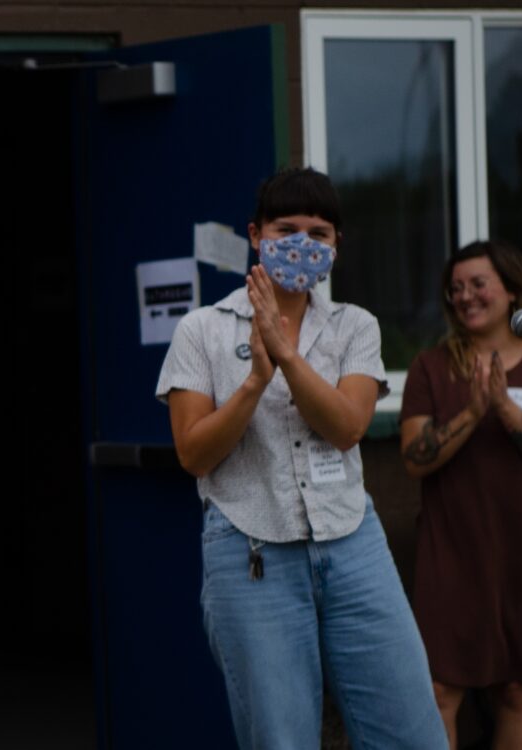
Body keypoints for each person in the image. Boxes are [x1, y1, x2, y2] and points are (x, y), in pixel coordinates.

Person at [155, 167, 446, 749]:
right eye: (286, 228)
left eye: (319, 232)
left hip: (352, 543)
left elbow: (347, 427)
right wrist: (253, 382)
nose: (303, 243)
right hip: (250, 550)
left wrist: (284, 353)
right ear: (256, 234)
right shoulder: (202, 330)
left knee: (412, 731)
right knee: (282, 737)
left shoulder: (354, 325)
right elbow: (193, 452)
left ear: (338, 244)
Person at [400, 239, 522, 749]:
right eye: (455, 288)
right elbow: (414, 458)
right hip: (451, 553)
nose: (465, 296)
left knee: (518, 692)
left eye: (478, 283)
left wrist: (504, 408)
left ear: (512, 290)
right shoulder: (431, 367)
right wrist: (472, 410)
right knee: (437, 691)